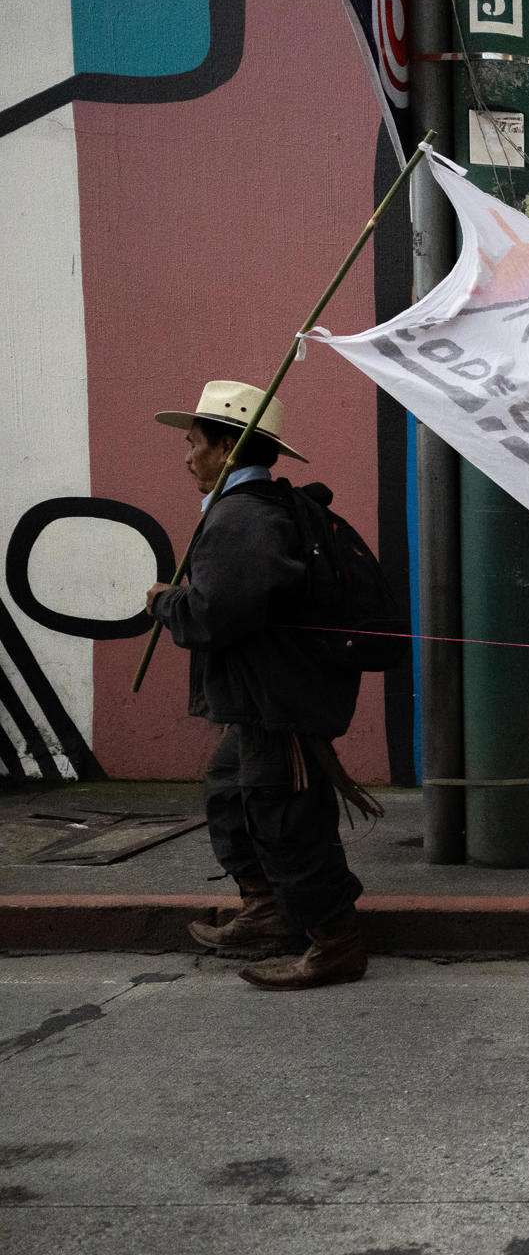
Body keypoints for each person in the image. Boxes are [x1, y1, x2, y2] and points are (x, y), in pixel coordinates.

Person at [147, 380, 371, 991]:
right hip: (261, 700)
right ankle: (268, 909)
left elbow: (218, 615)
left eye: (194, 444)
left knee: (285, 818)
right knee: (230, 791)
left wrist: (169, 605)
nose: (186, 456)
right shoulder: (253, 511)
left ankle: (334, 942)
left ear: (227, 447)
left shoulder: (242, 519)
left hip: (278, 702)